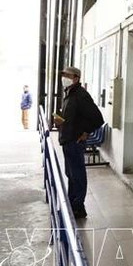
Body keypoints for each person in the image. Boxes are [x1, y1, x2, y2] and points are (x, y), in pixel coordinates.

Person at [54, 66, 103, 219]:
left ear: (76, 78)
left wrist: (86, 133)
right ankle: (72, 203)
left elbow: (97, 118)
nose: (64, 78)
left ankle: (78, 207)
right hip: (67, 140)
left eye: (67, 75)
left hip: (75, 141)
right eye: (63, 75)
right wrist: (61, 121)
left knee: (78, 175)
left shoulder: (81, 95)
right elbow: (74, 117)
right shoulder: (69, 93)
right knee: (71, 174)